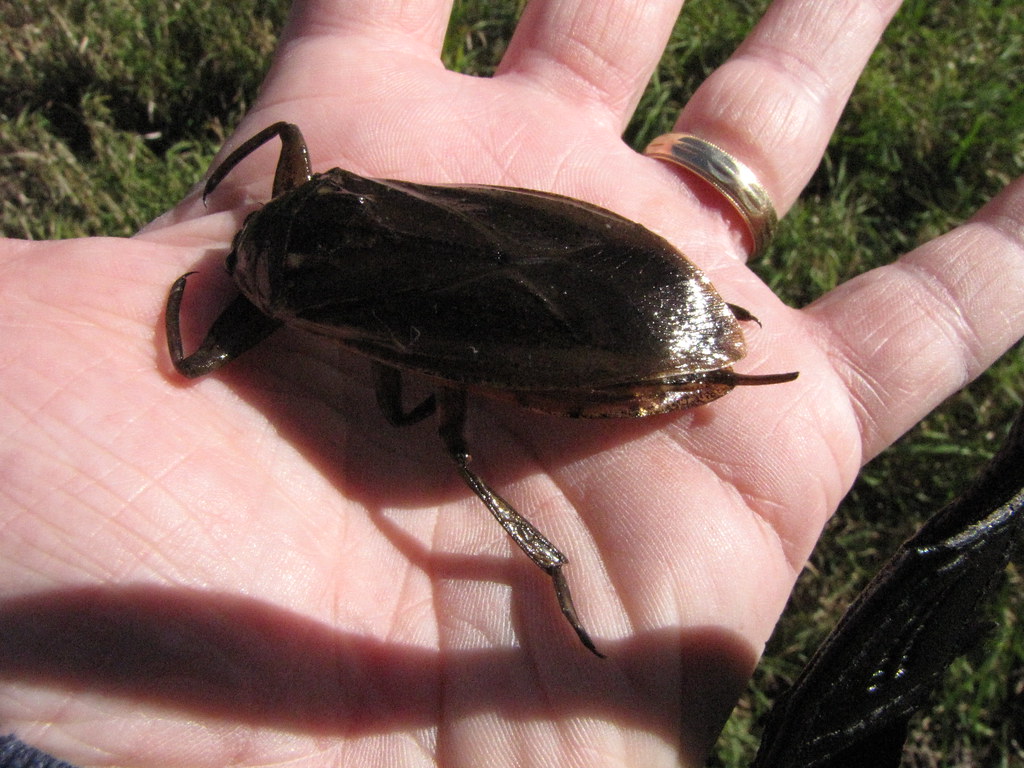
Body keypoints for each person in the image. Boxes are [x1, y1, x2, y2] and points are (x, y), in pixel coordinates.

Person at [1, 0, 1021, 766]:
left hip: (604, 311)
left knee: (449, 432)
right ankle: (574, 511)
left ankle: (580, 502)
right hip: (590, 292)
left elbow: (251, 322)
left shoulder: (300, 288)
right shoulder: (338, 198)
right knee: (450, 419)